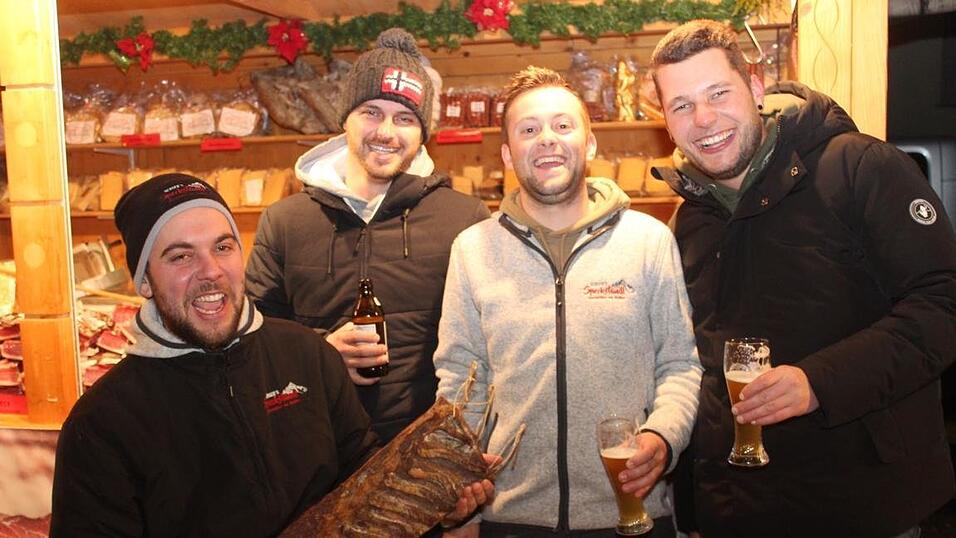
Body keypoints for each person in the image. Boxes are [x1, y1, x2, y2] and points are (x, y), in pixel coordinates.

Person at [50, 173, 492, 537]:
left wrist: (435, 505)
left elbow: (366, 482)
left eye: (223, 247)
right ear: (143, 281)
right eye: (181, 256)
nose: (211, 272)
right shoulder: (103, 423)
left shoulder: (305, 355)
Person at [648, 19, 956, 538]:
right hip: (739, 510)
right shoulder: (688, 221)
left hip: (865, 506)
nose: (703, 118)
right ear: (667, 122)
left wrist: (819, 382)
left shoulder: (858, 168)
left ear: (755, 86)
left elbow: (942, 304)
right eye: (681, 105)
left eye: (718, 93)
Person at [433, 66, 702, 538]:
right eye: (529, 130)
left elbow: (680, 364)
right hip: (509, 517)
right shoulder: (472, 250)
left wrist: (664, 436)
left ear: (590, 143)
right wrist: (461, 499)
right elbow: (460, 380)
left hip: (632, 512)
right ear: (507, 155)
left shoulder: (649, 241)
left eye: (563, 125)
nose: (547, 140)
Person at [245, 27, 490, 443]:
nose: (386, 132)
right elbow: (253, 335)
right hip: (315, 448)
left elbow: (489, 343)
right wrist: (319, 354)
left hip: (427, 451)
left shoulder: (465, 219)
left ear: (422, 132)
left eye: (405, 118)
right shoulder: (285, 222)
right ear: (346, 119)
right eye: (371, 112)